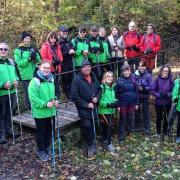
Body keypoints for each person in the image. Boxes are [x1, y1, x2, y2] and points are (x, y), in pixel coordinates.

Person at [28, 61, 59, 161]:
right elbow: (33, 98)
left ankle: (47, 147)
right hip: (40, 113)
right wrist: (45, 104)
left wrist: (56, 99)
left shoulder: (52, 79)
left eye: (48, 68)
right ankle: (41, 150)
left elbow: (56, 92)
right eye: (44, 68)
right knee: (41, 132)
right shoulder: (34, 81)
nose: (46, 70)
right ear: (39, 68)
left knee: (49, 130)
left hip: (51, 111)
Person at [71, 60, 102, 159]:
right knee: (88, 126)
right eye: (85, 67)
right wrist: (86, 104)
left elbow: (99, 89)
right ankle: (89, 146)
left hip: (94, 106)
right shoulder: (77, 80)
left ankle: (92, 141)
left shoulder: (93, 76)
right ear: (81, 68)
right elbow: (74, 97)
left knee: (94, 124)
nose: (87, 68)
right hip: (83, 108)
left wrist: (97, 97)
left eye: (89, 66)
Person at [14, 31, 41, 110]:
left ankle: (36, 107)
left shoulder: (33, 48)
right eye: (26, 38)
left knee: (36, 91)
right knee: (28, 92)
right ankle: (30, 109)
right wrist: (28, 59)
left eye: (29, 38)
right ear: (23, 39)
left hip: (35, 74)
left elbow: (39, 60)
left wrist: (35, 56)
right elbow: (19, 63)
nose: (28, 40)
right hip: (25, 75)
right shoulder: (18, 50)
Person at [0, 43, 19, 144]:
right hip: (1, 93)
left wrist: (16, 80)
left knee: (9, 113)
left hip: (11, 92)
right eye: (1, 49)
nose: (3, 51)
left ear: (8, 51)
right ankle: (1, 135)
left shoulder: (11, 62)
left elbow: (16, 74)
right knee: (1, 115)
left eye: (5, 49)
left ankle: (8, 131)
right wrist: (2, 84)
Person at [114, 63, 139, 143]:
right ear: (122, 72)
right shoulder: (119, 80)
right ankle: (121, 136)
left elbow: (136, 92)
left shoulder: (134, 79)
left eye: (127, 70)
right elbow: (115, 93)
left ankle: (129, 132)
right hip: (123, 103)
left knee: (130, 118)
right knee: (122, 119)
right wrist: (117, 104)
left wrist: (137, 103)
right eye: (125, 71)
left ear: (130, 71)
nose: (126, 72)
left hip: (132, 103)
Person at [152, 65, 174, 140]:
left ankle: (165, 133)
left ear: (169, 72)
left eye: (167, 71)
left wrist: (167, 94)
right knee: (159, 118)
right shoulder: (157, 79)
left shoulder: (170, 80)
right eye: (164, 71)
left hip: (167, 102)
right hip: (159, 102)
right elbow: (153, 90)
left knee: (166, 118)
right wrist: (158, 94)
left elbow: (173, 91)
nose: (165, 72)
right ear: (161, 71)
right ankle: (158, 133)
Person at [40, 31, 63, 99]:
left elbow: (61, 57)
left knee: (57, 86)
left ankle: (56, 100)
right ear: (49, 38)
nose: (53, 39)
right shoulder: (45, 46)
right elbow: (43, 58)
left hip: (57, 69)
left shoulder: (58, 46)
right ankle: (50, 99)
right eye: (51, 37)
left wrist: (59, 61)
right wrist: (52, 62)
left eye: (54, 37)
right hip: (49, 70)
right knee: (51, 86)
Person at [98, 71, 117, 152]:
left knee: (106, 127)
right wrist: (107, 104)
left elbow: (113, 98)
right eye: (108, 76)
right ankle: (109, 144)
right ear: (104, 78)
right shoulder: (102, 87)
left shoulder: (112, 87)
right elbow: (99, 101)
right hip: (103, 111)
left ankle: (105, 141)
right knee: (109, 127)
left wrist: (116, 101)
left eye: (111, 76)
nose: (110, 78)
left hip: (111, 111)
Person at [133, 61, 152, 135]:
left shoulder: (148, 75)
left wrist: (143, 88)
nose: (141, 67)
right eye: (140, 66)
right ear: (138, 66)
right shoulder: (134, 75)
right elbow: (132, 83)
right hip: (136, 96)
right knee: (137, 112)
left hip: (145, 96)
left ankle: (146, 128)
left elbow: (151, 86)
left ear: (145, 67)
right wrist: (136, 87)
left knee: (145, 113)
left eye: (143, 66)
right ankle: (137, 127)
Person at [59, 26, 75, 101]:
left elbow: (73, 48)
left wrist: (73, 51)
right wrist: (68, 52)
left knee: (71, 80)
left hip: (70, 63)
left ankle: (71, 96)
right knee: (65, 81)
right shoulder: (59, 42)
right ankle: (68, 97)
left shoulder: (69, 41)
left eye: (66, 31)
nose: (65, 33)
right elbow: (59, 54)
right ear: (60, 32)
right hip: (63, 65)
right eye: (63, 31)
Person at [172, 76, 180, 143]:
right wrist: (175, 98)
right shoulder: (177, 82)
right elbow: (174, 93)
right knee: (179, 123)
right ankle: (178, 136)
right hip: (179, 106)